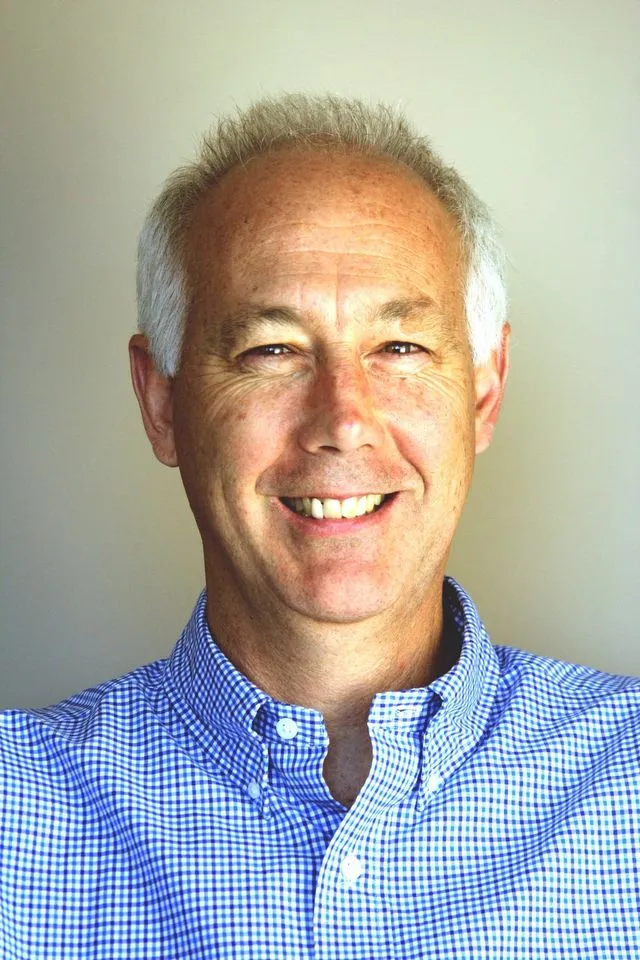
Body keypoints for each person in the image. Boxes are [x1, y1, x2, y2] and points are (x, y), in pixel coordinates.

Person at [1, 94, 638, 960]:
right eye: (271, 351)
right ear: (161, 404)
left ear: (484, 393)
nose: (343, 420)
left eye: (400, 349)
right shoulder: (17, 810)